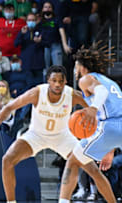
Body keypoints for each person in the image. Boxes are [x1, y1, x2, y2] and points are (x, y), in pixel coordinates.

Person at [0, 65, 88, 202]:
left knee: (89, 166)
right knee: (7, 160)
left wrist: (101, 138)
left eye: (60, 81)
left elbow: (97, 109)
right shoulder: (37, 92)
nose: (57, 84)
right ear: (48, 81)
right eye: (54, 80)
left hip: (62, 136)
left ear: (65, 82)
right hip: (36, 135)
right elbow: (9, 107)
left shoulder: (73, 95)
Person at [58, 43, 120, 202]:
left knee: (72, 161)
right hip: (116, 128)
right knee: (92, 170)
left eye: (76, 66)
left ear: (82, 67)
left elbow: (101, 93)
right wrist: (110, 148)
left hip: (109, 127)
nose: (75, 70)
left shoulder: (86, 79)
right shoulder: (110, 82)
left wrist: (93, 109)